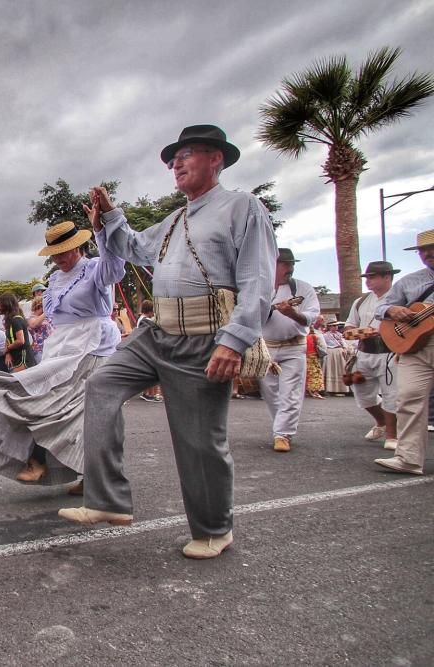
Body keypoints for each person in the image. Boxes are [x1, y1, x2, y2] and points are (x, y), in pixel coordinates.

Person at [59, 124, 277, 560]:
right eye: (173, 158)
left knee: (198, 440)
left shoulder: (243, 207)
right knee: (100, 386)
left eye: (188, 154)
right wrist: (107, 218)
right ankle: (107, 501)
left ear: (216, 159)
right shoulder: (175, 219)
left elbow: (257, 280)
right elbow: (134, 247)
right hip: (157, 332)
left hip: (205, 337)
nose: (176, 163)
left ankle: (215, 530)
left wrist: (233, 341)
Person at [0, 220, 124, 486]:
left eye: (65, 252)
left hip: (94, 343)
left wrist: (103, 230)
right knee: (41, 398)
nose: (59, 259)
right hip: (63, 345)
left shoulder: (93, 269)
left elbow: (114, 268)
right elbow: (46, 318)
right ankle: (43, 459)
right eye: (55, 254)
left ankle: (86, 472)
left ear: (78, 247)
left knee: (83, 410)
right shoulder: (54, 280)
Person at [373, 230, 434, 475]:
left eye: (432, 248)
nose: (428, 253)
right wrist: (393, 312)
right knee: (408, 398)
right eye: (423, 250)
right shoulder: (409, 282)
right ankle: (409, 458)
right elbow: (381, 308)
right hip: (415, 348)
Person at [257, 248, 321, 452]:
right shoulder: (259, 288)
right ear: (272, 264)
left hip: (294, 346)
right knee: (270, 393)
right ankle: (281, 429)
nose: (290, 268)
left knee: (290, 392)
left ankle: (282, 434)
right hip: (266, 347)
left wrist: (293, 313)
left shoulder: (303, 288)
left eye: (292, 264)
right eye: (285, 264)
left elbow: (311, 317)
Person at [344, 261, 401, 450]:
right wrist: (362, 332)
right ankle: (382, 422)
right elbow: (349, 327)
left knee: (391, 394)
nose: (368, 281)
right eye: (367, 277)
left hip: (390, 352)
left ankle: (393, 436)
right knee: (362, 393)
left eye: (373, 277)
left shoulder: (400, 299)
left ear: (387, 277)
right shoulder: (360, 301)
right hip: (365, 351)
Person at [0, 293, 36, 372]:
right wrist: (8, 353)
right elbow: (8, 339)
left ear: (6, 305)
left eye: (0, 304)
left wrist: (7, 349)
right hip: (17, 358)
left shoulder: (16, 320)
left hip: (24, 359)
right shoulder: (10, 321)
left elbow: (20, 341)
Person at [137, 300, 163, 403]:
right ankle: (150, 394)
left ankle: (147, 393)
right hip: (147, 349)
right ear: (150, 310)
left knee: (150, 372)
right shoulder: (145, 321)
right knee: (153, 372)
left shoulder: (143, 319)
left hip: (145, 349)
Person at [26, 292, 53, 365]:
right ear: (39, 305)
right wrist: (46, 311)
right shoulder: (30, 318)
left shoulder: (46, 317)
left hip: (50, 347)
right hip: (39, 349)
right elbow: (34, 324)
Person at [305, 321, 327, 399]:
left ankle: (308, 390)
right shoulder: (315, 337)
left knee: (307, 374)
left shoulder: (303, 337)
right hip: (313, 356)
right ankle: (315, 391)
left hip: (305, 357)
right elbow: (322, 346)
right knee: (316, 374)